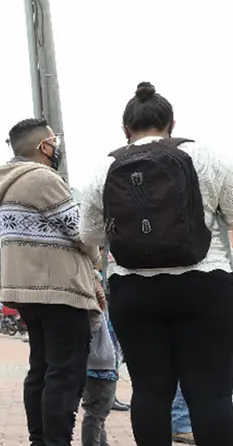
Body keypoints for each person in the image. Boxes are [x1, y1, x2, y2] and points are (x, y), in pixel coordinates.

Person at [79, 82, 233, 446]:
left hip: (134, 289)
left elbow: (91, 235)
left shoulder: (106, 166)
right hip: (204, 284)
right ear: (172, 124)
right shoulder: (205, 156)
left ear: (125, 129)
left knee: (150, 391)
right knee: (210, 391)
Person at [0, 117, 103, 446]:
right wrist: (94, 258)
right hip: (60, 290)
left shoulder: (6, 182)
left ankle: (39, 439)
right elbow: (83, 232)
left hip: (28, 291)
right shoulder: (42, 178)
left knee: (40, 370)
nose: (58, 147)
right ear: (43, 146)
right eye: (54, 141)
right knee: (65, 374)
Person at [81, 306, 121, 446]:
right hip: (99, 365)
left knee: (98, 415)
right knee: (95, 414)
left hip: (102, 364)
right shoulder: (93, 302)